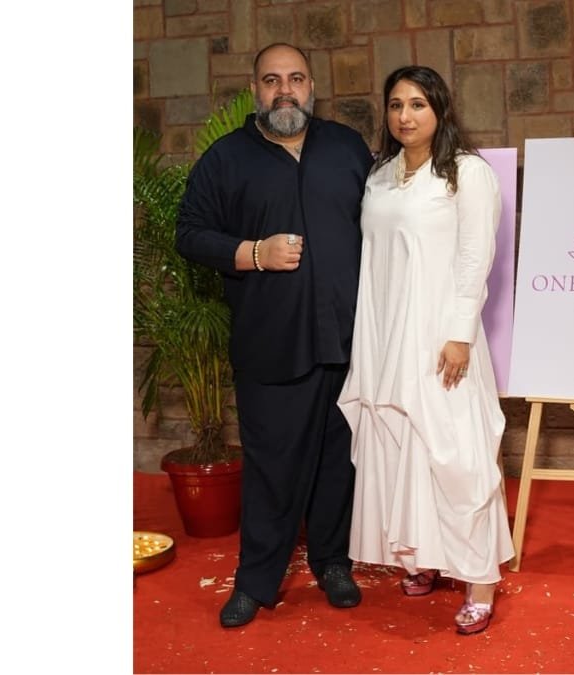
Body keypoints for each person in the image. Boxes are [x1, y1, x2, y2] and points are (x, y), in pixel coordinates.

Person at [175, 42, 376, 629]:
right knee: (272, 470)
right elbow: (190, 233)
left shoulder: (347, 148)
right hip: (271, 344)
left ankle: (333, 564)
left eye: (295, 78)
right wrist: (252, 252)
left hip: (350, 342)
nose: (284, 90)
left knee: (340, 463)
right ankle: (256, 582)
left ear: (312, 86)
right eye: (271, 80)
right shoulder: (226, 159)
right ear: (255, 90)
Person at [337, 65, 514, 636]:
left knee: (457, 457)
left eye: (417, 104)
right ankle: (424, 559)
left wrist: (460, 333)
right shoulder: (381, 176)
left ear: (439, 109)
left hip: (442, 340)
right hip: (387, 337)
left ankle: (480, 581)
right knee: (401, 449)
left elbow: (475, 257)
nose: (405, 116)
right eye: (395, 105)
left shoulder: (468, 173)